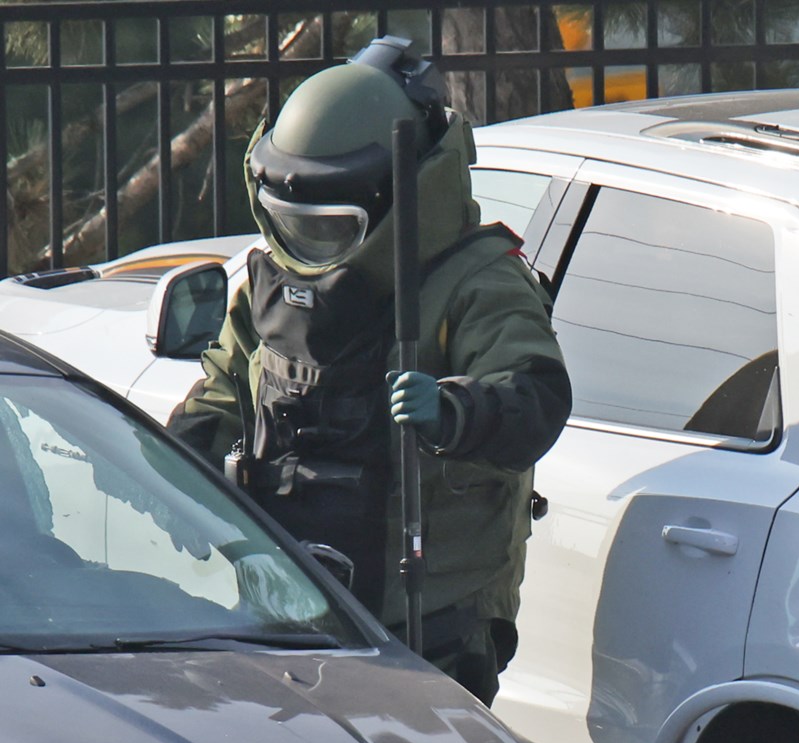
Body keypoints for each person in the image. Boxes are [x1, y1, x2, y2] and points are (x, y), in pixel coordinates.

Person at [166, 36, 571, 706]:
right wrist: (173, 467)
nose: (307, 250)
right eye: (291, 228)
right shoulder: (273, 286)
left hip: (428, 616)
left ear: (393, 199)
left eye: (328, 230)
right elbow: (222, 390)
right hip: (289, 599)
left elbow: (534, 394)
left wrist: (455, 410)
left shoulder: (476, 281)